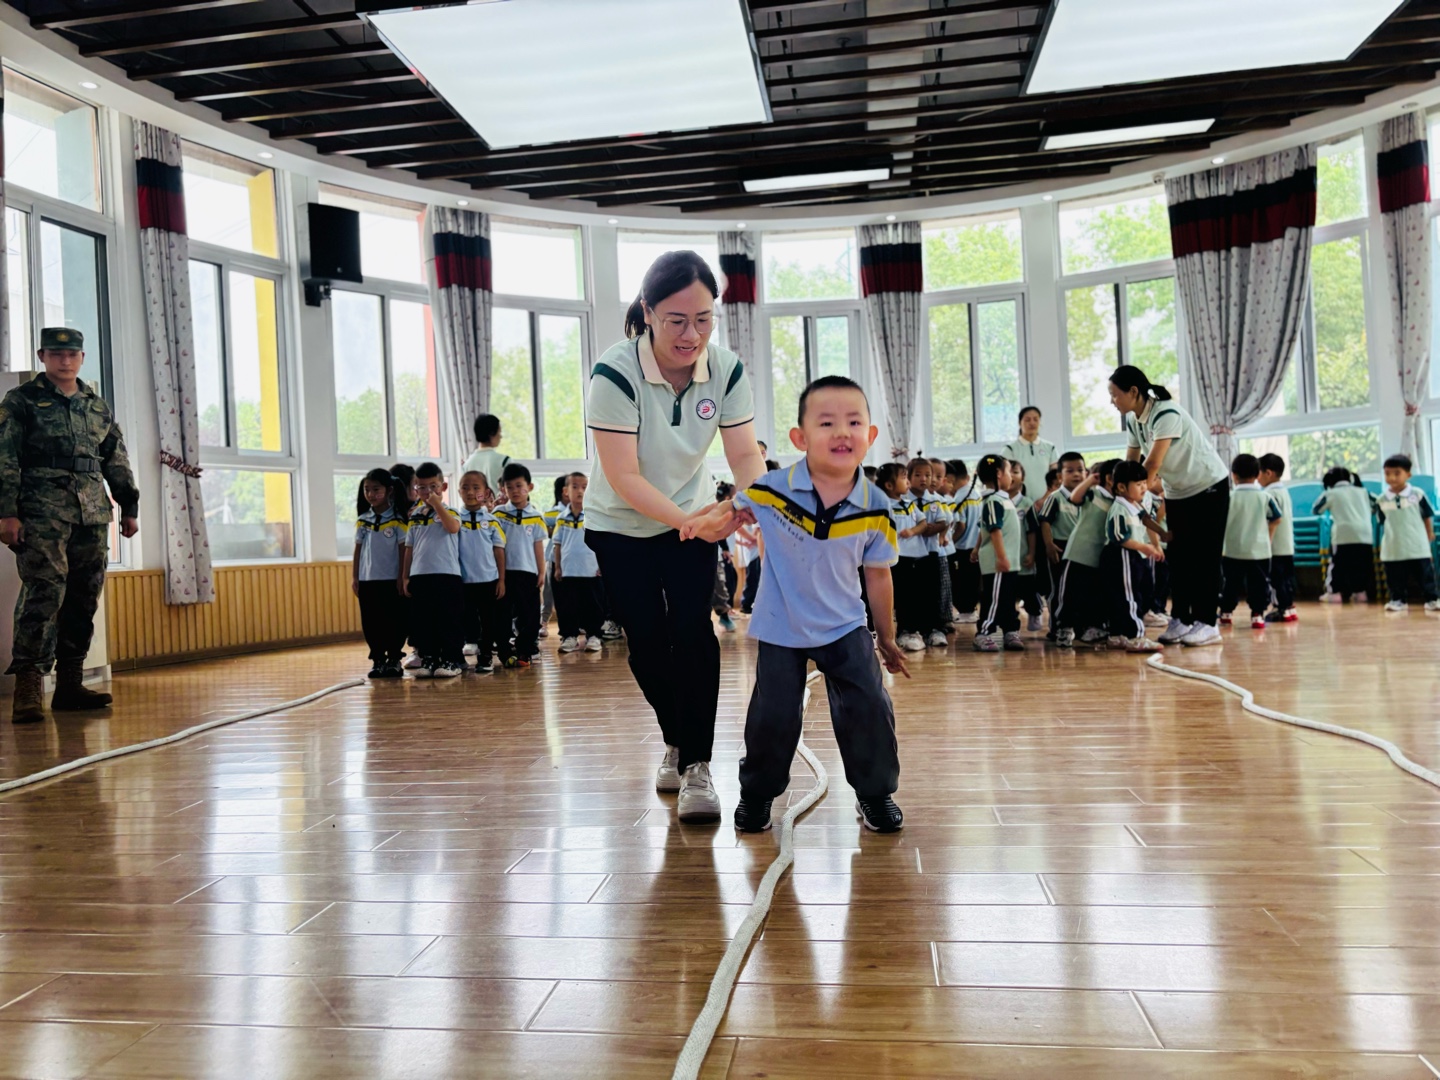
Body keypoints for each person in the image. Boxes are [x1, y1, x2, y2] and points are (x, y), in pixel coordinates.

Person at [583, 250, 765, 824]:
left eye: (704, 319)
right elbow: (625, 476)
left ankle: (697, 766)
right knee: (645, 642)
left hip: (693, 518)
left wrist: (751, 505)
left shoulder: (726, 371)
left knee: (692, 633)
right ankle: (676, 738)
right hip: (621, 524)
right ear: (648, 312)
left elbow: (744, 456)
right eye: (677, 321)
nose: (692, 335)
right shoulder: (615, 372)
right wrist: (693, 522)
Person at [685, 375, 908, 834]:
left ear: (870, 435)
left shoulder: (876, 506)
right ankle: (757, 795)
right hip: (780, 624)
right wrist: (701, 523)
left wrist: (886, 638)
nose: (841, 432)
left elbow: (878, 574)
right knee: (773, 715)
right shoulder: (772, 490)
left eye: (853, 422)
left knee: (869, 705)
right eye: (826, 423)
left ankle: (874, 793)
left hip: (846, 625)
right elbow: (730, 512)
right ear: (800, 438)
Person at [1, 328, 140, 724]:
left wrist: (128, 504)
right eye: (56, 353)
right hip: (41, 510)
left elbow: (115, 456)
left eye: (72, 354)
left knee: (84, 594)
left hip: (91, 511)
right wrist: (6, 512)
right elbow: (5, 457)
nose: (65, 360)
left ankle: (70, 684)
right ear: (42, 356)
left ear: (81, 357)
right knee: (44, 591)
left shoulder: (96, 406)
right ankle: (29, 686)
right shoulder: (21, 401)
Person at [1109, 365, 1230, 648]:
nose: (1112, 401)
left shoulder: (1166, 413)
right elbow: (1131, 463)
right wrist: (1121, 490)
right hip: (1178, 491)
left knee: (1205, 556)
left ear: (1133, 392)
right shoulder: (1134, 421)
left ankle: (1207, 623)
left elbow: (1152, 464)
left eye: (1115, 395)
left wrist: (1134, 497)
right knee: (1179, 556)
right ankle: (1181, 618)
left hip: (1209, 487)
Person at [401, 463, 464, 678]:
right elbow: (409, 548)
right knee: (424, 620)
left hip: (446, 574)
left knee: (448, 619)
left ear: (443, 487)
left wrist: (437, 505)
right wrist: (405, 576)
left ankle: (451, 660)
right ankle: (429, 658)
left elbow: (452, 528)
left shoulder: (452, 512)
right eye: (422, 487)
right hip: (420, 575)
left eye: (433, 486)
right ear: (416, 489)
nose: (428, 492)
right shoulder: (415, 516)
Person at [1054, 459, 1119, 648]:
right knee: (1069, 594)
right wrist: (1090, 480)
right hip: (1078, 553)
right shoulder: (1094, 493)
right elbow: (1075, 498)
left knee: (1092, 596)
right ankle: (1064, 628)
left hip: (1098, 558)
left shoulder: (1117, 502)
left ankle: (1089, 628)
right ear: (1109, 479)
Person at [1104, 460, 1166, 653]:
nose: (1144, 488)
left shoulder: (1135, 506)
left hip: (1135, 556)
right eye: (1138, 484)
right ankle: (1135, 636)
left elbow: (1149, 524)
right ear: (1121, 487)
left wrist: (1156, 545)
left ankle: (1117, 635)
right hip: (1123, 556)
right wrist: (1144, 547)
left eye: (1145, 483)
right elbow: (1118, 537)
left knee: (1136, 593)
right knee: (1129, 597)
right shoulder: (1119, 509)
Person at [352, 468, 408, 679]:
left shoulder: (398, 520)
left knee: (394, 620)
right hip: (368, 580)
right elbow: (358, 550)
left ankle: (394, 659)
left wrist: (402, 576)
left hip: (391, 580)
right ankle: (378, 659)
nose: (371, 494)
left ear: (389, 490)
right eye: (367, 490)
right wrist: (355, 577)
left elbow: (403, 550)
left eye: (376, 489)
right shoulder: (363, 520)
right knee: (371, 622)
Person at [494, 462, 549, 667]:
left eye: (519, 486)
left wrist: (541, 572)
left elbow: (538, 547)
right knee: (502, 614)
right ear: (503, 489)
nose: (515, 491)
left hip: (528, 573)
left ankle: (525, 650)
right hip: (504, 573)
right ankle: (504, 651)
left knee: (530, 614)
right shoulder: (498, 514)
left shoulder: (536, 517)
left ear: (530, 487)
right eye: (509, 487)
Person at [1220, 454, 1282, 631]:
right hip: (1259, 551)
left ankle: (1226, 613)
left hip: (1232, 550)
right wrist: (1268, 537)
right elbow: (1277, 518)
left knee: (1230, 584)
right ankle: (1257, 615)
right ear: (1257, 475)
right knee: (1259, 585)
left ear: (1233, 475)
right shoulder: (1265, 497)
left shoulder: (1228, 497)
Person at [456, 470, 506, 674]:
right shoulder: (454, 520)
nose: (470, 492)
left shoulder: (492, 521)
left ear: (486, 493)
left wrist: (501, 579)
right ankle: (461, 655)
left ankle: (486, 656)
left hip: (488, 580)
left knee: (488, 621)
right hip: (463, 580)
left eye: (476, 488)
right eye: (465, 487)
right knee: (466, 618)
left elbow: (499, 550)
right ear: (459, 491)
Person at [973, 455, 1024, 653]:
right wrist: (1002, 557)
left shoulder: (1003, 499)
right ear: (999, 474)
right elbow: (993, 530)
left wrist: (976, 548)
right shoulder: (993, 500)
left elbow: (983, 528)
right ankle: (984, 633)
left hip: (1008, 561)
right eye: (1009, 471)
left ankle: (1010, 630)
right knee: (994, 599)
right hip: (998, 561)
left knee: (1008, 598)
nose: (1011, 476)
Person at [1376, 454, 1439, 612]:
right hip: (1393, 545)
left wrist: (1429, 533)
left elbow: (1427, 516)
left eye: (1397, 473)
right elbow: (1382, 522)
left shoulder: (1417, 494)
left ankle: (1432, 599)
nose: (1392, 477)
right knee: (1395, 576)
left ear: (1408, 475)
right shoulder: (1382, 499)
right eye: (1387, 473)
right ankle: (1398, 600)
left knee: (1425, 574)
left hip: (1417, 544)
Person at [552, 472, 606, 652]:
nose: (580, 491)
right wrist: (558, 567)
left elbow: (601, 543)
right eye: (574, 487)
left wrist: (601, 565)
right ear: (565, 491)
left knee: (593, 605)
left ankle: (594, 635)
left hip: (591, 571)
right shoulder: (561, 517)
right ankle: (569, 636)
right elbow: (557, 544)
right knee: (568, 606)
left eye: (584, 487)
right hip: (568, 571)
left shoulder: (593, 515)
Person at [878, 462, 927, 652]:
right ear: (889, 485)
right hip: (893, 559)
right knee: (894, 598)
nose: (908, 482)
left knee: (911, 596)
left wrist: (913, 531)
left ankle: (909, 632)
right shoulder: (882, 506)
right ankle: (885, 634)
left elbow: (923, 523)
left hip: (913, 558)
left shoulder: (909, 504)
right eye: (904, 478)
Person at [1314, 468, 1376, 604]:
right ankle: (1360, 593)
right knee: (1361, 565)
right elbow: (1377, 504)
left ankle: (1334, 593)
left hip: (1342, 535)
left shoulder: (1330, 493)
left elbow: (1316, 509)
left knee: (1338, 565)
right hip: (1365, 534)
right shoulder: (1364, 492)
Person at [1039, 452, 1086, 625]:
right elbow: (1045, 521)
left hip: (1081, 548)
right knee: (1059, 587)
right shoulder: (1055, 497)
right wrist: (1049, 545)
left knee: (1078, 587)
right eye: (1070, 471)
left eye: (1080, 470)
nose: (1076, 474)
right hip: (1060, 547)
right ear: (1060, 476)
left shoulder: (1087, 497)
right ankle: (1057, 625)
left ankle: (1077, 624)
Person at [910, 457, 948, 647]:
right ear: (908, 478)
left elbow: (943, 522)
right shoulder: (903, 501)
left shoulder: (935, 500)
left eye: (927, 475)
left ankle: (934, 630)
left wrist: (934, 528)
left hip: (931, 552)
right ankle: (911, 630)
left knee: (932, 592)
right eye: (918, 475)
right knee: (912, 594)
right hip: (909, 555)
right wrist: (922, 528)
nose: (923, 479)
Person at [1258, 453, 1297, 623]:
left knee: (1276, 580)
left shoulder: (1269, 493)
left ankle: (1281, 609)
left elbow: (1269, 519)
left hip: (1274, 545)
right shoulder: (1284, 491)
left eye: (1259, 473)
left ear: (1268, 473)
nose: (1257, 478)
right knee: (1286, 579)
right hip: (1287, 545)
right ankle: (1289, 608)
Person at [1008, 461, 1042, 632]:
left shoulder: (1027, 504)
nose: (1011, 475)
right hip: (1005, 559)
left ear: (1022, 478)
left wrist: (1031, 553)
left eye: (1015, 472)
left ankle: (1035, 612)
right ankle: (1011, 623)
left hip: (1022, 557)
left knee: (1028, 590)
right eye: (1008, 472)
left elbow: (1032, 531)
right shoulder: (997, 502)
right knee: (1008, 593)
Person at [948, 459, 983, 624]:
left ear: (951, 478)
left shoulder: (959, 498)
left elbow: (960, 526)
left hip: (962, 547)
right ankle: (971, 610)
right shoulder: (976, 495)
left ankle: (965, 611)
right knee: (973, 581)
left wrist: (950, 541)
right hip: (976, 545)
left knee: (961, 582)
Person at [1003, 406, 1059, 505]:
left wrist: (1044, 500)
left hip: (1047, 502)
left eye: (1036, 419)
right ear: (1019, 423)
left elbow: (1056, 478)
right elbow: (1006, 479)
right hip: (1018, 504)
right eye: (1027, 420)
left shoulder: (1050, 448)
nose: (1032, 423)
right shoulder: (1010, 449)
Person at [460, 413, 511, 491]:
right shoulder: (504, 461)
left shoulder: (467, 465)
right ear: (491, 434)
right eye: (499, 432)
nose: (500, 436)